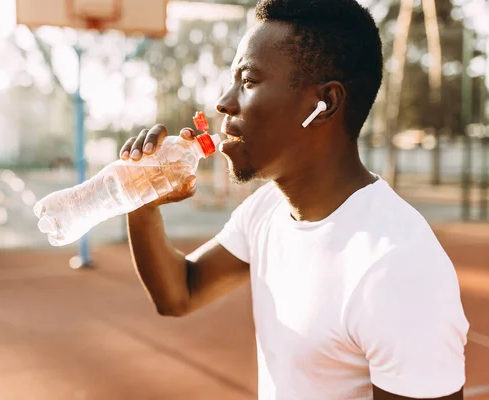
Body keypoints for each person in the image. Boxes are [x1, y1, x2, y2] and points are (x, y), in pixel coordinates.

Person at [118, 0, 469, 398]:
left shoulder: (397, 268)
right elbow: (178, 293)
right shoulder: (266, 209)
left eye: (248, 81)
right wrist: (141, 200)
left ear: (325, 105)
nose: (223, 102)